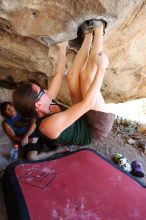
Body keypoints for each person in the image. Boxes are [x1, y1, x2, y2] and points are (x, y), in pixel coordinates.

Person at [12, 19, 115, 160]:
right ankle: (98, 30)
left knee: (72, 75)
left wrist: (62, 48)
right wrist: (102, 68)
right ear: (37, 104)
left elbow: (60, 74)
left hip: (82, 117)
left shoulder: (45, 104)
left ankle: (88, 35)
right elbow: (88, 104)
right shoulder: (48, 126)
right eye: (41, 92)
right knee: (86, 76)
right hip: (95, 128)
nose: (44, 90)